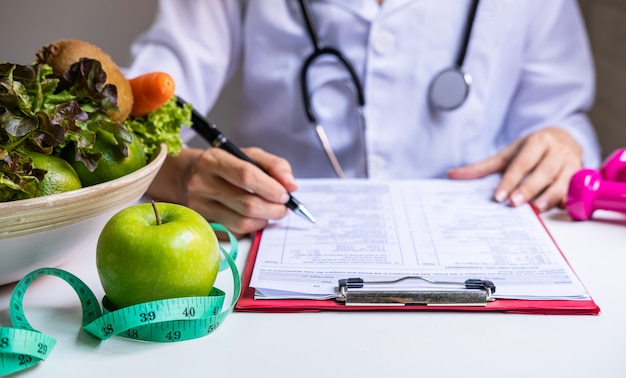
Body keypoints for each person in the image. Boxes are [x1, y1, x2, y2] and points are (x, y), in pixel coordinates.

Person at [125, 0, 601, 235]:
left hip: (479, 250)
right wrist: (178, 174)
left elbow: (564, 117)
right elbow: (133, 107)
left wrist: (562, 141)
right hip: (274, 239)